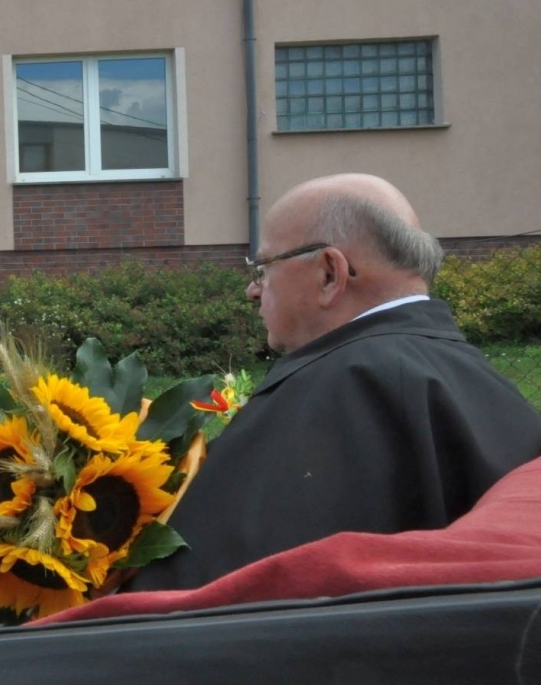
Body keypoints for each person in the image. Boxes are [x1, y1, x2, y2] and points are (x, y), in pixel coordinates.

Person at [129, 173, 541, 592]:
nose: (253, 290)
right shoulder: (475, 378)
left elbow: (205, 595)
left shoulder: (339, 388)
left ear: (329, 273)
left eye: (263, 268)